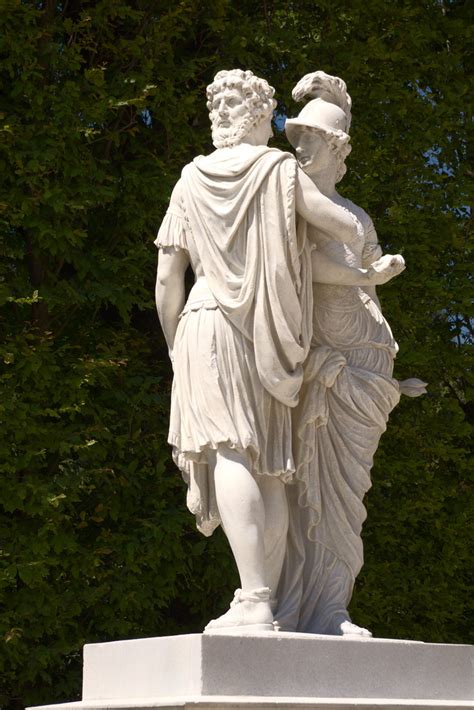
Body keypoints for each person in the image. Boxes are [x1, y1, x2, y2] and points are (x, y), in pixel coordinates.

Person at [155, 69, 406, 632]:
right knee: (267, 465)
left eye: (222, 107)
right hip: (265, 336)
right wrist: (352, 255)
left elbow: (168, 281)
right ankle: (261, 597)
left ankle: (256, 599)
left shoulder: (190, 179)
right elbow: (342, 224)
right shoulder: (277, 171)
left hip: (205, 324)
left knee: (232, 455)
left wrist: (177, 347)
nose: (219, 115)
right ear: (264, 121)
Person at [274, 71, 426, 636]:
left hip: (367, 368)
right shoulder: (288, 198)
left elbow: (367, 275)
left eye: (310, 136)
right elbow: (297, 267)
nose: (297, 144)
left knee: (348, 499)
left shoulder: (355, 211)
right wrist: (367, 274)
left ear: (338, 147)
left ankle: (333, 605)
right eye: (296, 135)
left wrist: (376, 273)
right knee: (310, 489)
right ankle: (301, 606)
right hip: (325, 361)